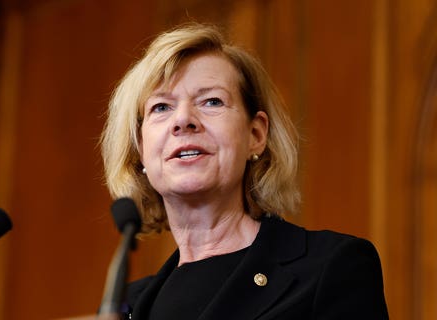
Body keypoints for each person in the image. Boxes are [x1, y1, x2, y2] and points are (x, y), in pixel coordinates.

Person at [99, 23, 388, 319]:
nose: (183, 119)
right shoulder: (125, 307)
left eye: (212, 101)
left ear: (256, 135)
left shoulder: (331, 266)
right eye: (161, 107)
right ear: (140, 150)